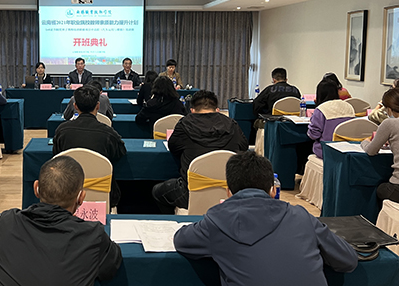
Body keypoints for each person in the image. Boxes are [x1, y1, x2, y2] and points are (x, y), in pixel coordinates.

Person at [174, 151, 358, 286]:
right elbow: (348, 260)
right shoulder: (302, 216)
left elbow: (181, 240)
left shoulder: (216, 221)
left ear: (228, 192)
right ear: (273, 190)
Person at [0, 156, 122, 285]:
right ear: (81, 197)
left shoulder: (8, 222)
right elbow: (110, 266)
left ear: (36, 188)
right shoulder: (92, 234)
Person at [152, 90, 248, 213]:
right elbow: (243, 149)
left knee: (157, 192)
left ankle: (174, 221)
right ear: (217, 110)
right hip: (231, 192)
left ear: (192, 110)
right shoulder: (232, 124)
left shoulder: (184, 124)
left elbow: (173, 148)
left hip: (190, 193)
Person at [53, 85, 126, 207]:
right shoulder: (108, 133)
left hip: (66, 190)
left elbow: (57, 156)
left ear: (75, 106)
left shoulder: (62, 130)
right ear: (97, 106)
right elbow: (121, 152)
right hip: (103, 192)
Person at [362, 88, 399, 203]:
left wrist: (365, 142)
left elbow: (371, 151)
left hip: (397, 187)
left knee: (380, 189)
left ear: (389, 109)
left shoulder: (389, 123)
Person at [308, 80, 355, 159]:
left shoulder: (321, 109)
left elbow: (314, 135)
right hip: (347, 150)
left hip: (326, 151)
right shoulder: (349, 107)